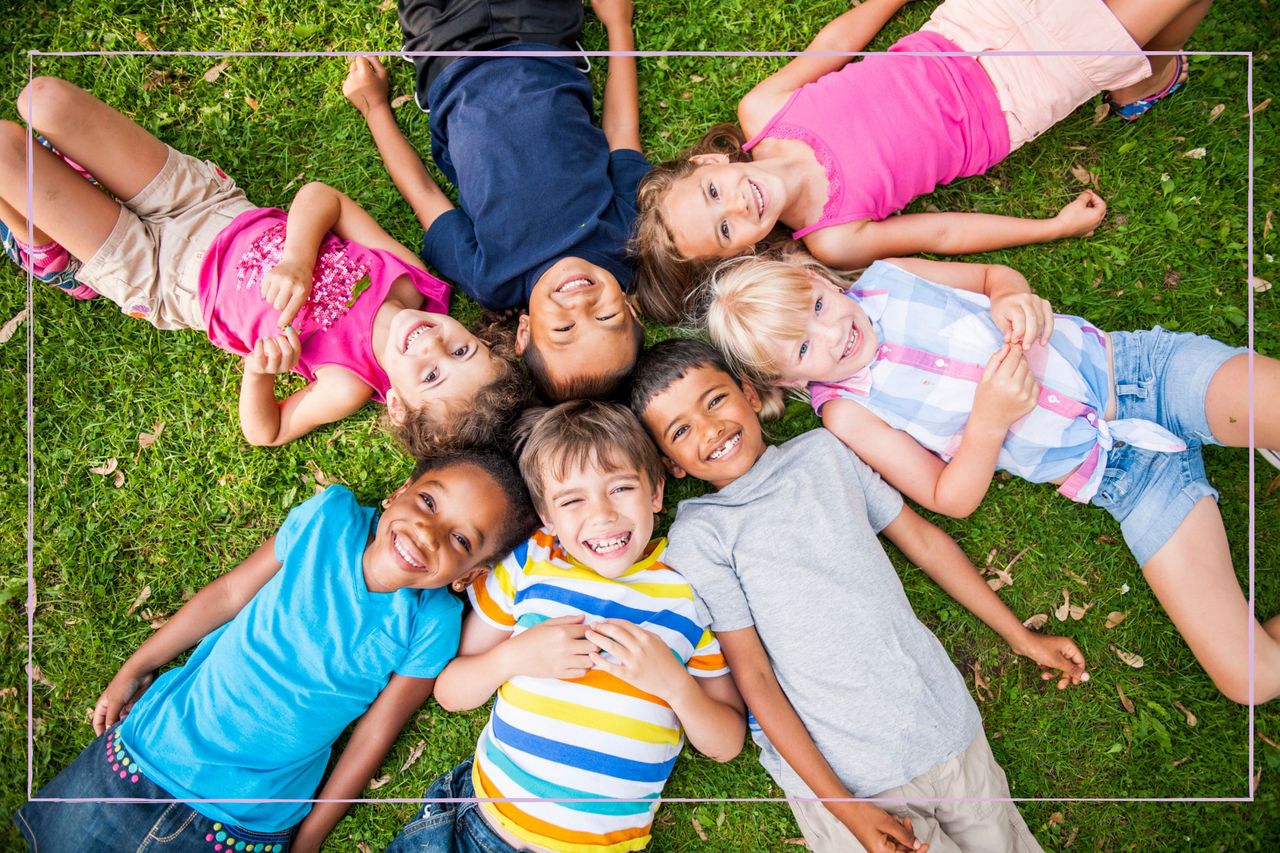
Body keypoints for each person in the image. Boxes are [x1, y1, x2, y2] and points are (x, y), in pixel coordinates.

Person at [702, 250, 1280, 704]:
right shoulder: (847, 411)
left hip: (1137, 375)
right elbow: (946, 497)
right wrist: (989, 422)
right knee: (1251, 680)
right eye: (803, 347)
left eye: (818, 309)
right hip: (1125, 478)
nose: (832, 336)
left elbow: (990, 275)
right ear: (785, 381)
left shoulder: (888, 276)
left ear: (820, 280)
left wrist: (1011, 296)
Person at [630, 338, 1088, 853]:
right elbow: (754, 679)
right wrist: (844, 808)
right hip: (852, 786)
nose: (709, 428)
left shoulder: (825, 454)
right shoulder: (703, 535)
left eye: (714, 400)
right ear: (671, 465)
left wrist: (1020, 636)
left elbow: (924, 543)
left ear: (750, 393)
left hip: (947, 733)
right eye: (681, 430)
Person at [14, 449, 540, 853]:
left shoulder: (433, 623)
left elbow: (374, 735)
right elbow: (228, 594)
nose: (427, 532)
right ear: (401, 491)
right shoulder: (329, 520)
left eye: (461, 540)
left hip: (244, 822)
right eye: (428, 501)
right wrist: (135, 667)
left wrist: (311, 835)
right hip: (146, 755)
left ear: (469, 576)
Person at [0, 76, 525, 451]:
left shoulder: (348, 384)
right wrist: (299, 257)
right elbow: (325, 198)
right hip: (205, 204)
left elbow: (266, 431)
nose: (433, 343)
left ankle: (56, 261)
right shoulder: (412, 279)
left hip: (160, 277)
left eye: (432, 374)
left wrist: (258, 374)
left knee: (4, 149)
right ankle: (59, 215)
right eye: (462, 348)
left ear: (399, 406)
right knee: (41, 98)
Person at [629, 0, 1213, 323]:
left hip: (967, 26)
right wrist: (1050, 227)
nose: (735, 205)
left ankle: (1146, 78)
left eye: (712, 194)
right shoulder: (832, 238)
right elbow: (943, 230)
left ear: (710, 162)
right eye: (725, 229)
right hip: (1017, 97)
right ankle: (1145, 79)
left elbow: (834, 47)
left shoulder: (763, 111)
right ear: (746, 252)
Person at [388, 400, 744, 853]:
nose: (601, 515)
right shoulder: (533, 564)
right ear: (548, 519)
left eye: (620, 489)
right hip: (479, 828)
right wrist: (514, 657)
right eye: (573, 500)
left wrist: (676, 687)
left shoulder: (687, 594)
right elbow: (450, 691)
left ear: (656, 492)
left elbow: (727, 742)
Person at [343, 0, 649, 401]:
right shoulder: (626, 235)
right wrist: (617, 25)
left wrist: (375, 107)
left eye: (563, 329)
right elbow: (622, 133)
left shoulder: (492, 279)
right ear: (630, 309)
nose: (582, 304)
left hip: (445, 56)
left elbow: (424, 193)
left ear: (525, 331)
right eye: (606, 316)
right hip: (539, 33)